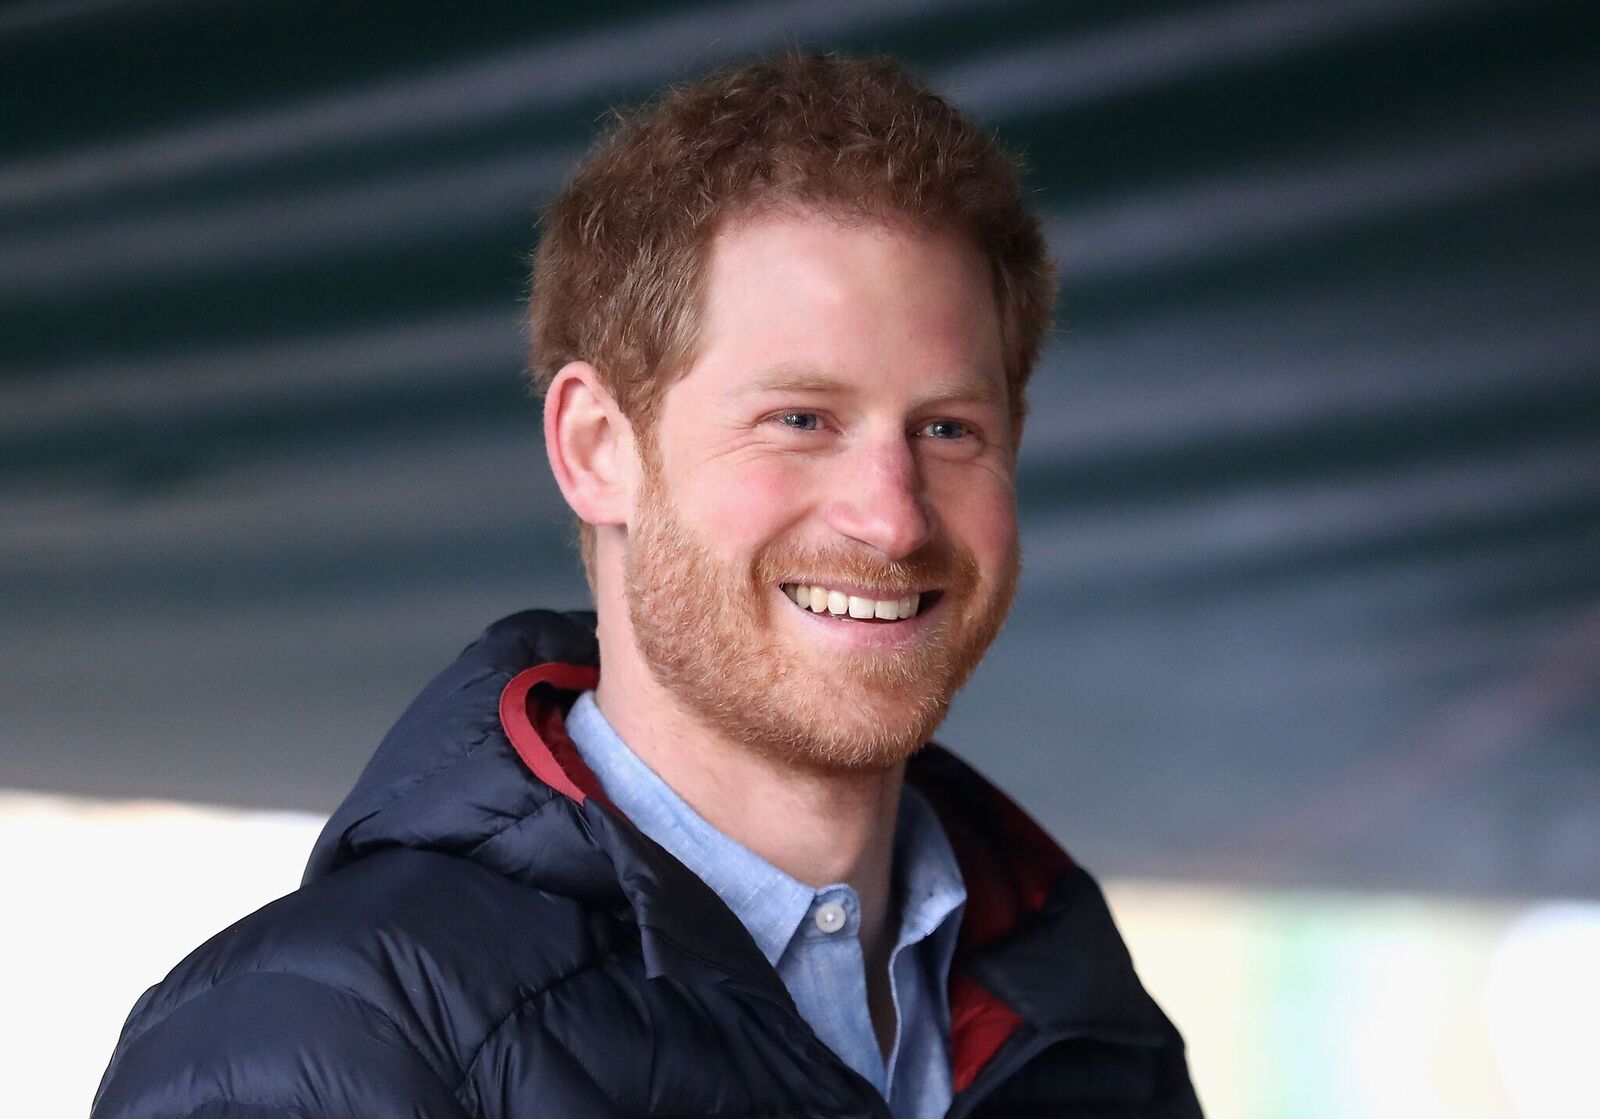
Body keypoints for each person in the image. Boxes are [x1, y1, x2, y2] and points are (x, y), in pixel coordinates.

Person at [94, 53, 1201, 1119]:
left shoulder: (1090, 1028)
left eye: (948, 429)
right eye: (800, 420)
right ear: (594, 448)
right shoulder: (313, 1042)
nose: (892, 514)